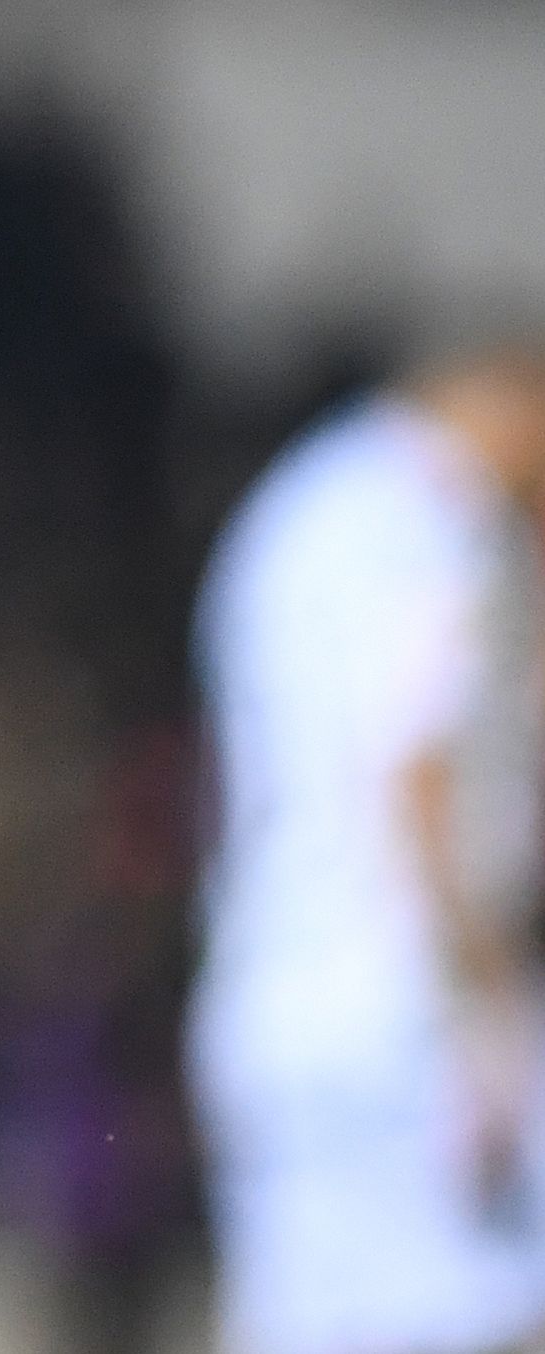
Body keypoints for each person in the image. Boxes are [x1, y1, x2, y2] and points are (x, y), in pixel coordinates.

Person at [191, 354, 545, 1354]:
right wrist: (489, 996)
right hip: (406, 1012)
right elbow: (416, 767)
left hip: (276, 997)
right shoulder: (422, 524)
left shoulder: (294, 509)